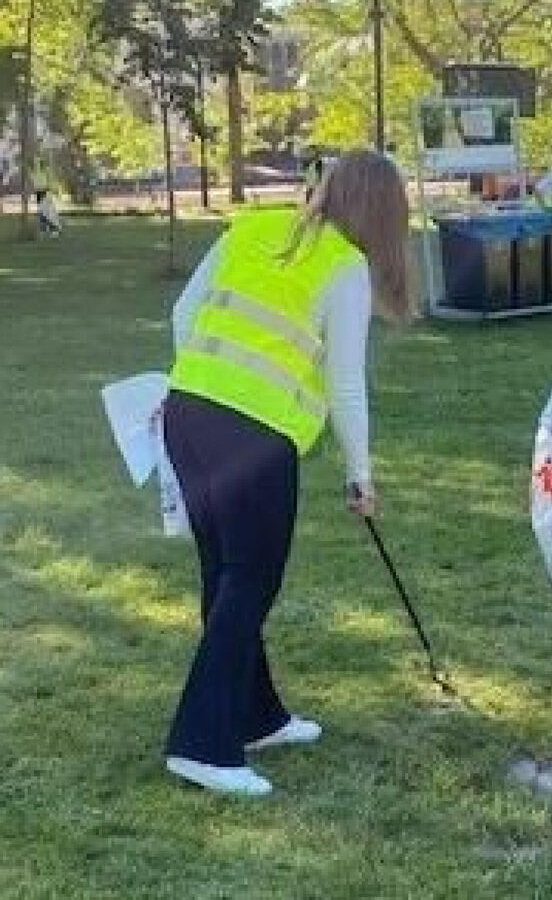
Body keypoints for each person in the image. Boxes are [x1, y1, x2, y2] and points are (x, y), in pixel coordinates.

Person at [161, 149, 413, 796]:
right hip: (255, 434)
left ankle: (256, 716)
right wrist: (360, 474)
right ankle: (201, 744)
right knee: (250, 580)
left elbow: (184, 315)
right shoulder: (346, 266)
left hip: (187, 412)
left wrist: (202, 382)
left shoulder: (252, 226)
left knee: (224, 574)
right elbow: (345, 384)